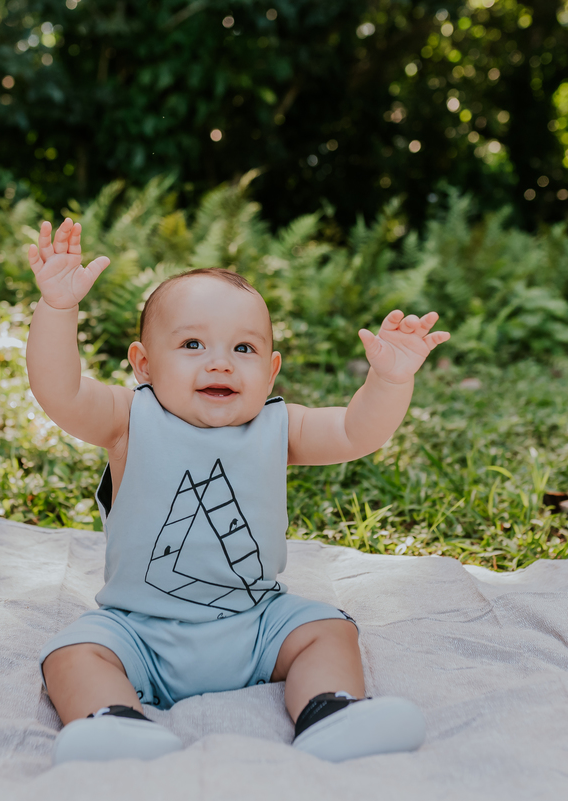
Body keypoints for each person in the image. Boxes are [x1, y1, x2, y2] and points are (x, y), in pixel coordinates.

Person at [25, 217, 450, 764]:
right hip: (141, 633)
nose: (220, 361)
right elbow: (56, 390)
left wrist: (390, 381)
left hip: (255, 626)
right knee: (72, 651)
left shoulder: (279, 426)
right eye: (193, 344)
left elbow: (354, 432)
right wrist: (58, 308)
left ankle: (332, 712)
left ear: (271, 372)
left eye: (244, 348)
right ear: (144, 365)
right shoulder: (129, 418)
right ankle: (114, 722)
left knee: (328, 628)